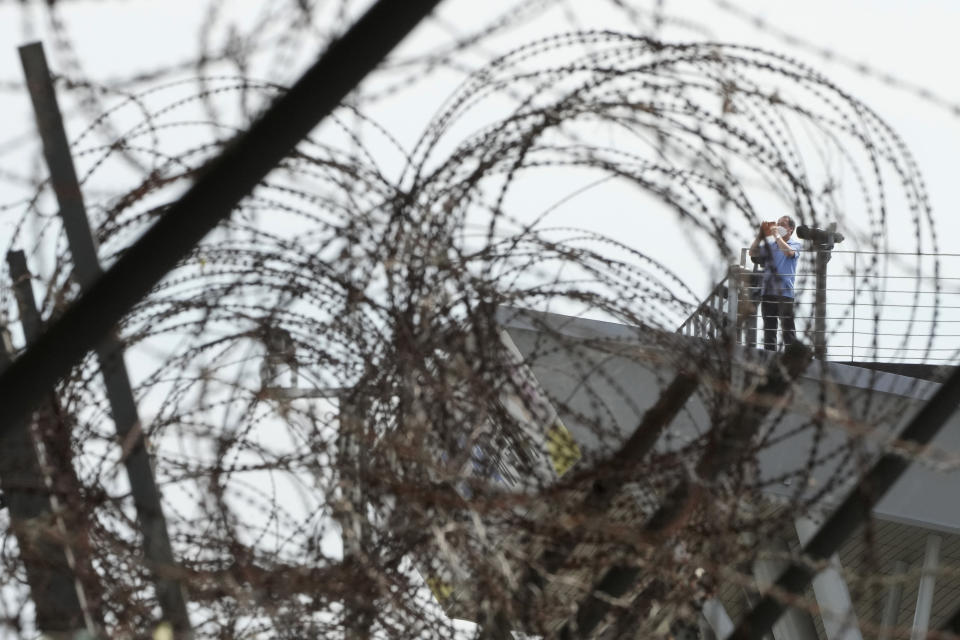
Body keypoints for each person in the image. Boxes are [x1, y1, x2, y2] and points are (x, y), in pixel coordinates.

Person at [749, 215, 801, 351]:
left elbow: (789, 253)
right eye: (777, 224)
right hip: (768, 292)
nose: (778, 226)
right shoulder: (770, 246)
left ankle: (791, 358)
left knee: (788, 329)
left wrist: (777, 236)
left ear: (791, 229)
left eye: (782, 224)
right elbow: (752, 253)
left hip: (785, 293)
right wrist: (761, 236)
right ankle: (769, 356)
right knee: (769, 330)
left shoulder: (795, 244)